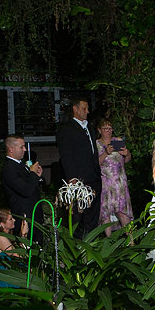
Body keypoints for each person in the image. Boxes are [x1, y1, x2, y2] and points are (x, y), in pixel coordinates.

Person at [56, 97, 102, 236]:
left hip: (93, 177)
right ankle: (74, 246)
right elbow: (66, 155)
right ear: (75, 109)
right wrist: (72, 177)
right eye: (84, 108)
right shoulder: (67, 129)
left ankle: (92, 243)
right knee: (77, 215)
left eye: (87, 108)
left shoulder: (89, 127)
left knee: (93, 214)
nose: (87, 111)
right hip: (79, 180)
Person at [95, 119, 133, 235]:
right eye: (105, 129)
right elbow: (95, 164)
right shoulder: (96, 144)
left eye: (110, 128)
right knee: (106, 212)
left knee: (122, 211)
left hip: (120, 182)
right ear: (99, 130)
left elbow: (127, 160)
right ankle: (109, 242)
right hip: (105, 183)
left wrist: (127, 154)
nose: (109, 131)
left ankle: (131, 239)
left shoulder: (118, 141)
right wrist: (106, 152)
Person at [2, 134, 44, 236]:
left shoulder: (19, 164)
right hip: (24, 217)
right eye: (21, 147)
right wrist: (33, 174)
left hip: (33, 215)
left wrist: (36, 176)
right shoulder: (9, 168)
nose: (25, 150)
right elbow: (25, 190)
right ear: (11, 149)